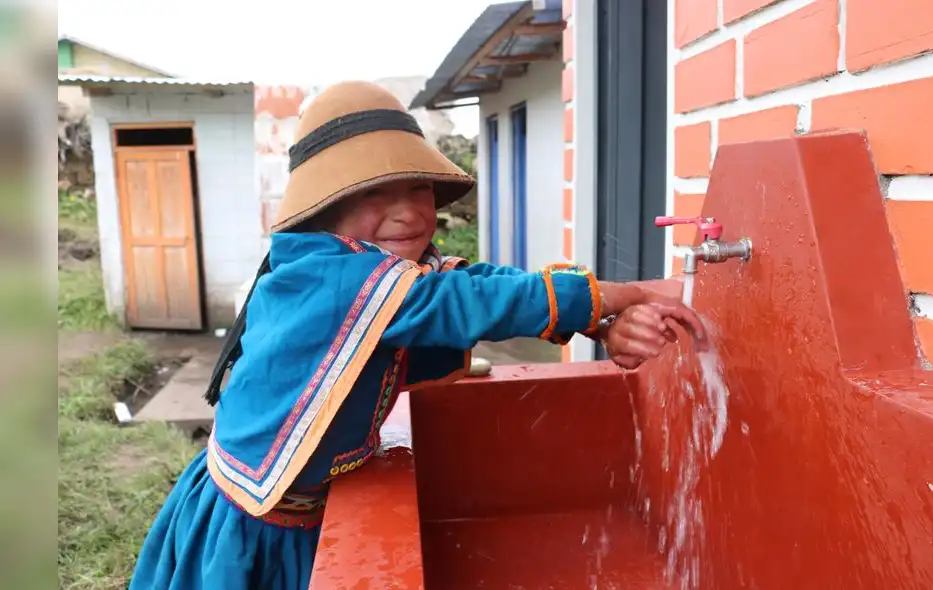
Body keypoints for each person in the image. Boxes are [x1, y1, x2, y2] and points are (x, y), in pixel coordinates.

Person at [129, 81, 707, 590]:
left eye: (420, 190)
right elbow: (455, 303)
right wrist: (633, 293)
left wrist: (600, 322)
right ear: (323, 206)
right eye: (373, 191)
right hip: (251, 521)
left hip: (305, 506)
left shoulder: (385, 276)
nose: (408, 214)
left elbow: (469, 281)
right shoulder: (323, 274)